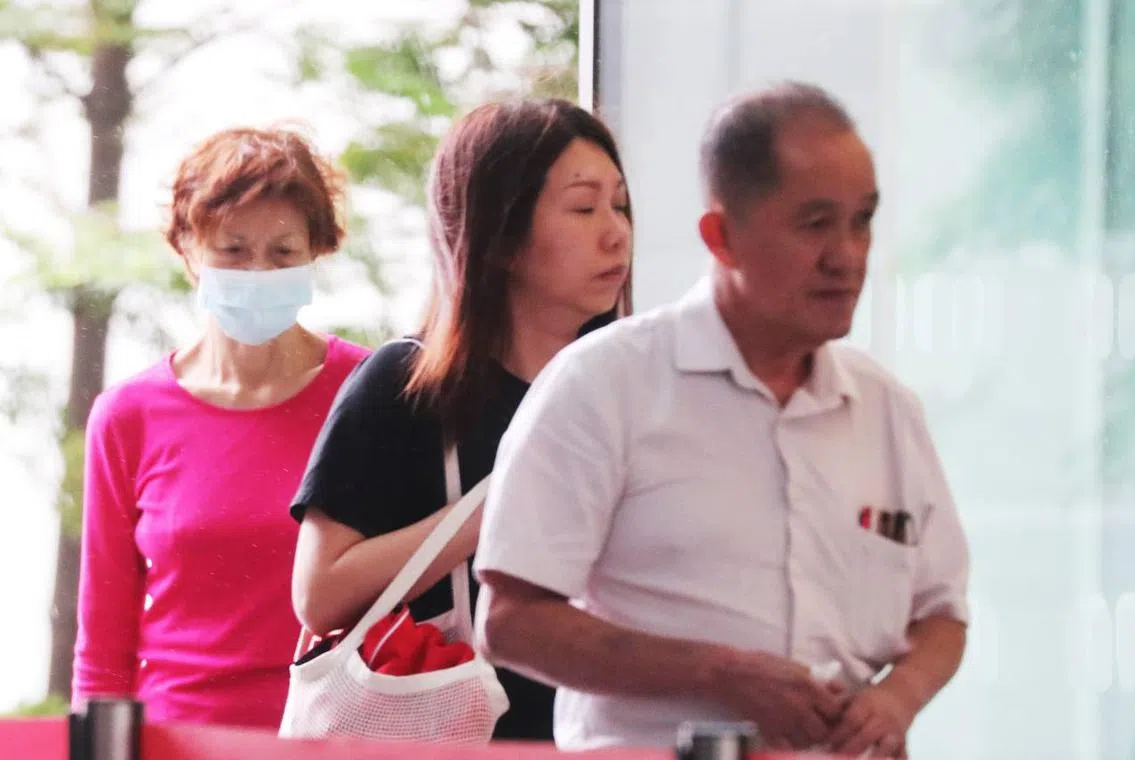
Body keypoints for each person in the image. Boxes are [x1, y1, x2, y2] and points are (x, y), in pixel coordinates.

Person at [472, 82, 970, 757]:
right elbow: (511, 622)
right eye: (815, 223)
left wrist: (895, 699)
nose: (847, 255)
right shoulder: (606, 383)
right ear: (722, 236)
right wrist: (723, 675)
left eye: (863, 220)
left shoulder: (887, 409)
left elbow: (941, 616)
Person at [288, 98, 634, 741]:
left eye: (620, 205)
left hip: (603, 737)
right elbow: (319, 593)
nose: (615, 233)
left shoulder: (628, 393)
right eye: (584, 208)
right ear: (501, 237)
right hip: (455, 738)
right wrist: (497, 507)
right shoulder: (405, 383)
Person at [73, 127, 371, 729]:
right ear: (186, 248)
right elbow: (103, 649)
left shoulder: (369, 391)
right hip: (176, 737)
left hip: (334, 733)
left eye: (282, 253)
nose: (258, 271)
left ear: (315, 252)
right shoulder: (127, 416)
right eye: (233, 251)